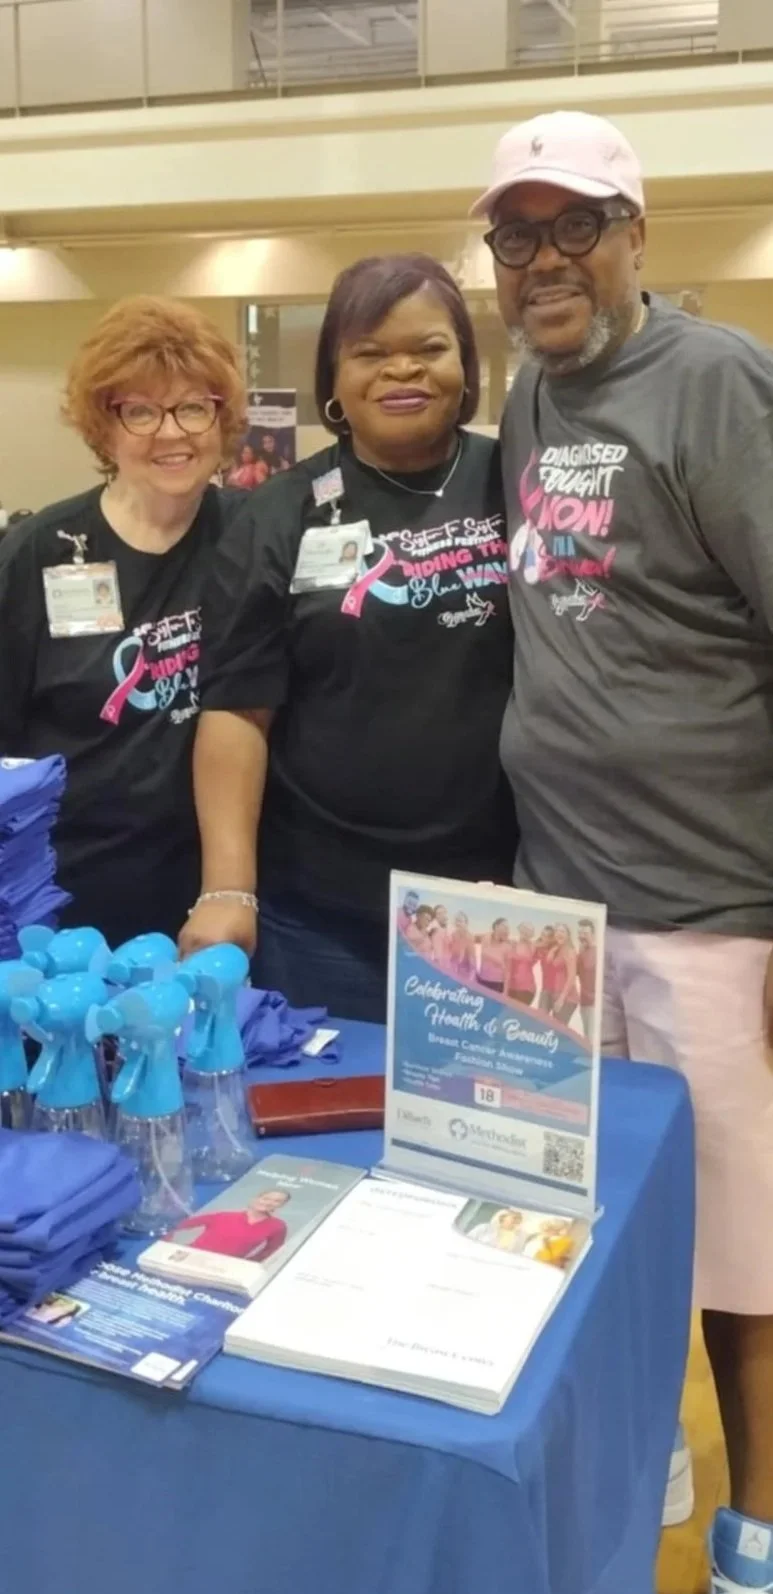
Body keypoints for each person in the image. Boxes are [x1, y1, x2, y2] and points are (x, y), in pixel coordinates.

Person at [476, 106, 773, 1594]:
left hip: (710, 904)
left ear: (635, 231)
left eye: (570, 226)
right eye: (513, 236)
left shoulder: (716, 383)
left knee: (746, 1267)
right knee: (587, 1226)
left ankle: (754, 1579)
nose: (541, 261)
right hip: (556, 908)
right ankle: (639, 1465)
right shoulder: (534, 391)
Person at [181, 253, 516, 1021]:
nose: (402, 370)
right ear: (333, 378)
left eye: (429, 348)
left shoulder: (516, 483)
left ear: (465, 363)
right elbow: (236, 708)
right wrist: (228, 889)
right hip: (324, 910)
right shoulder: (276, 514)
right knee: (333, 1130)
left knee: (487, 1124)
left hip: (499, 898)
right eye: (369, 353)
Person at [0, 295, 246, 949]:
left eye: (193, 406)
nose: (171, 433)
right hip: (61, 896)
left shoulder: (254, 537)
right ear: (102, 427)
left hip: (220, 893)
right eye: (139, 410)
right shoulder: (39, 551)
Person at [169, 1188, 290, 1261]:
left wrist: (245, 1264)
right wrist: (166, 1243)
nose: (269, 1203)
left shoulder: (277, 1226)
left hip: (223, 1267)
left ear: (281, 1205)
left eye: (277, 1201)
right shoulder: (224, 1216)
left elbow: (271, 1251)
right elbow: (178, 1225)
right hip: (191, 1257)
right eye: (266, 1198)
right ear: (256, 1198)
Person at [577, 918, 598, 1040]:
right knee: (587, 1036)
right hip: (584, 1002)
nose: (582, 936)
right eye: (579, 933)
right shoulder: (581, 953)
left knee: (590, 1038)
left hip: (594, 1003)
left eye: (585, 933)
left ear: (593, 934)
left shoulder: (598, 952)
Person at [477, 918, 511, 993]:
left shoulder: (507, 946)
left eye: (507, 928)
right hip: (482, 980)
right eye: (504, 926)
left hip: (497, 983)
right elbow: (484, 953)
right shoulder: (486, 938)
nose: (506, 929)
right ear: (496, 926)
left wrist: (505, 993)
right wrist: (499, 962)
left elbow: (507, 972)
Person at [508, 921, 537, 1005]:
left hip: (527, 988)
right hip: (511, 986)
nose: (525, 933)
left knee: (519, 1014)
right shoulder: (512, 943)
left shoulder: (533, 946)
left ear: (531, 934)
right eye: (524, 930)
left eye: (528, 931)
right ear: (520, 930)